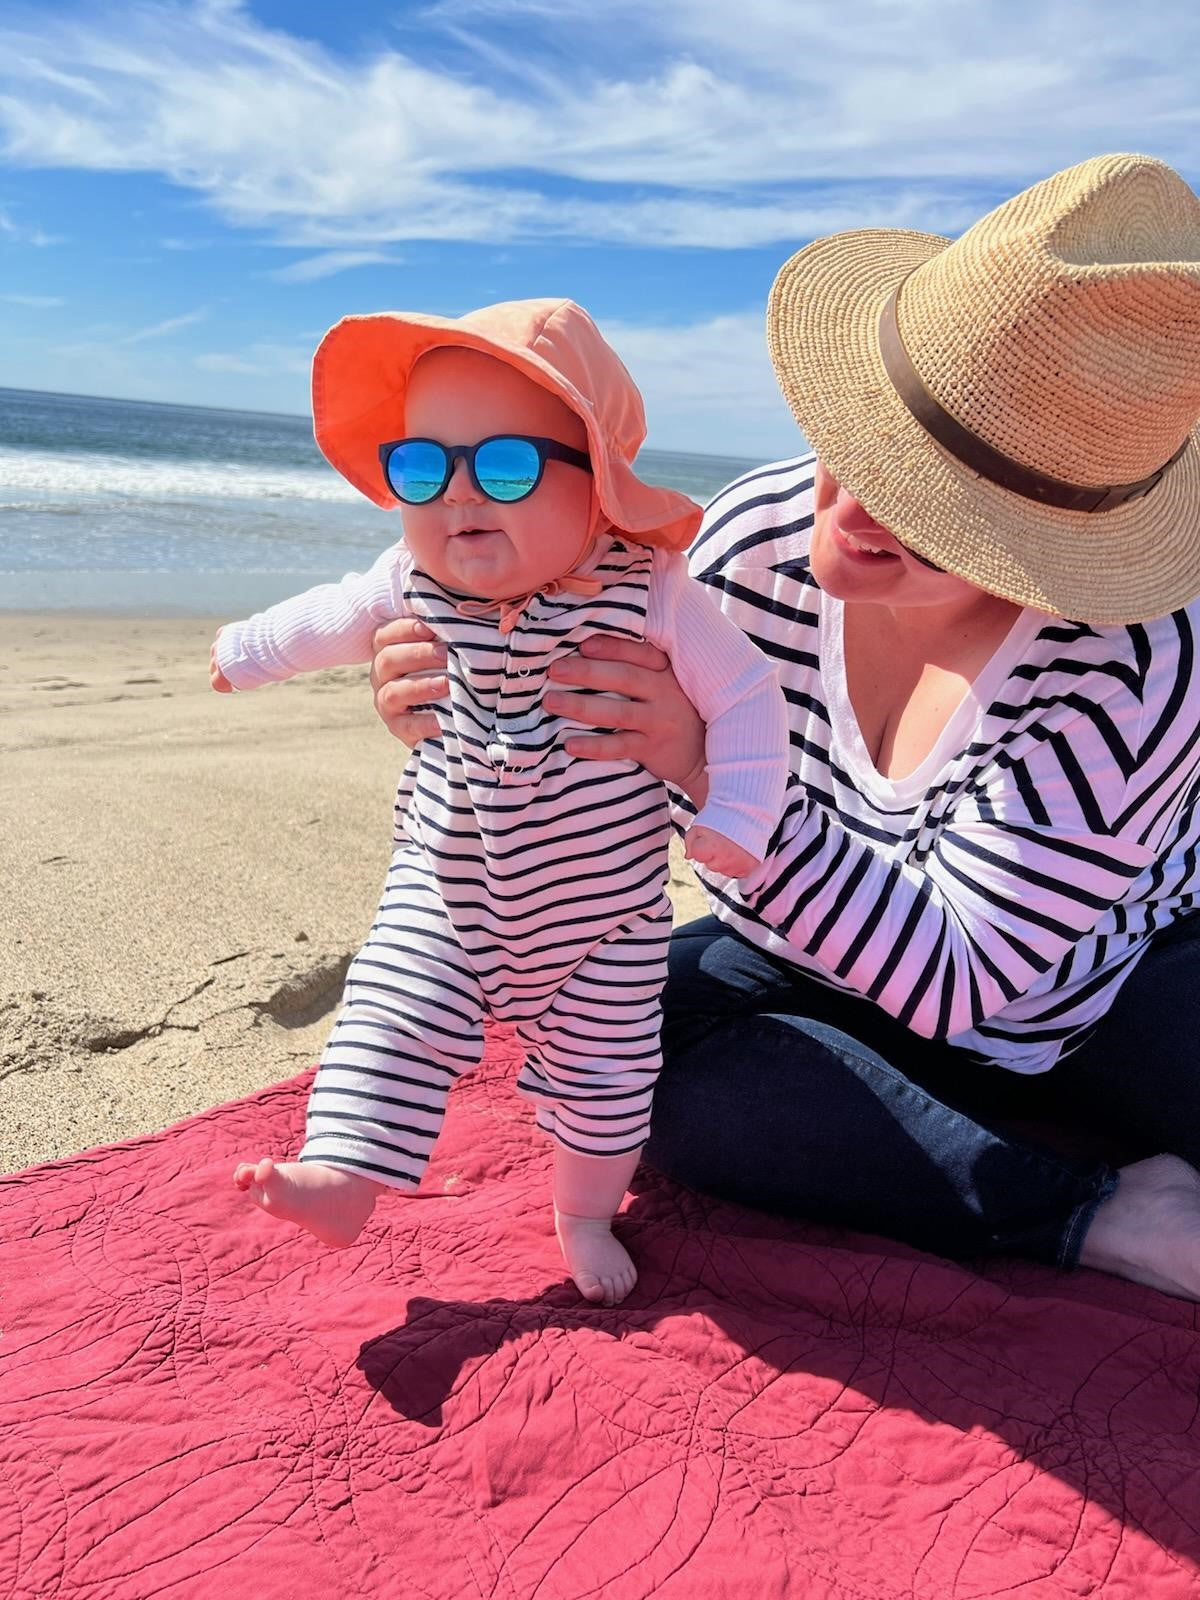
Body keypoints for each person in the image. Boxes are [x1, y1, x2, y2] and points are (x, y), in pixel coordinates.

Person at [369, 153, 1200, 1303]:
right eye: (859, 442)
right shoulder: (751, 540)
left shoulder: (1135, 663)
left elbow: (968, 979)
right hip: (803, 948)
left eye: (932, 498)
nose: (851, 510)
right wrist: (456, 689)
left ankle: (1090, 1212)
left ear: (1051, 539)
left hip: (1098, 989)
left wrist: (708, 762)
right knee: (622, 1062)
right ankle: (1094, 1205)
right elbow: (565, 744)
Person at [212, 298, 789, 1305]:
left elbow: (744, 697)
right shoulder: (413, 580)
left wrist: (735, 816)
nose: (459, 497)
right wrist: (245, 652)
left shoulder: (649, 592)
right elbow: (331, 617)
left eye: (509, 467)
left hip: (604, 918)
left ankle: (582, 1213)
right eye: (423, 468)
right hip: (448, 890)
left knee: (609, 1088)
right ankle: (342, 1176)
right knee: (388, 1013)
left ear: (598, 487)